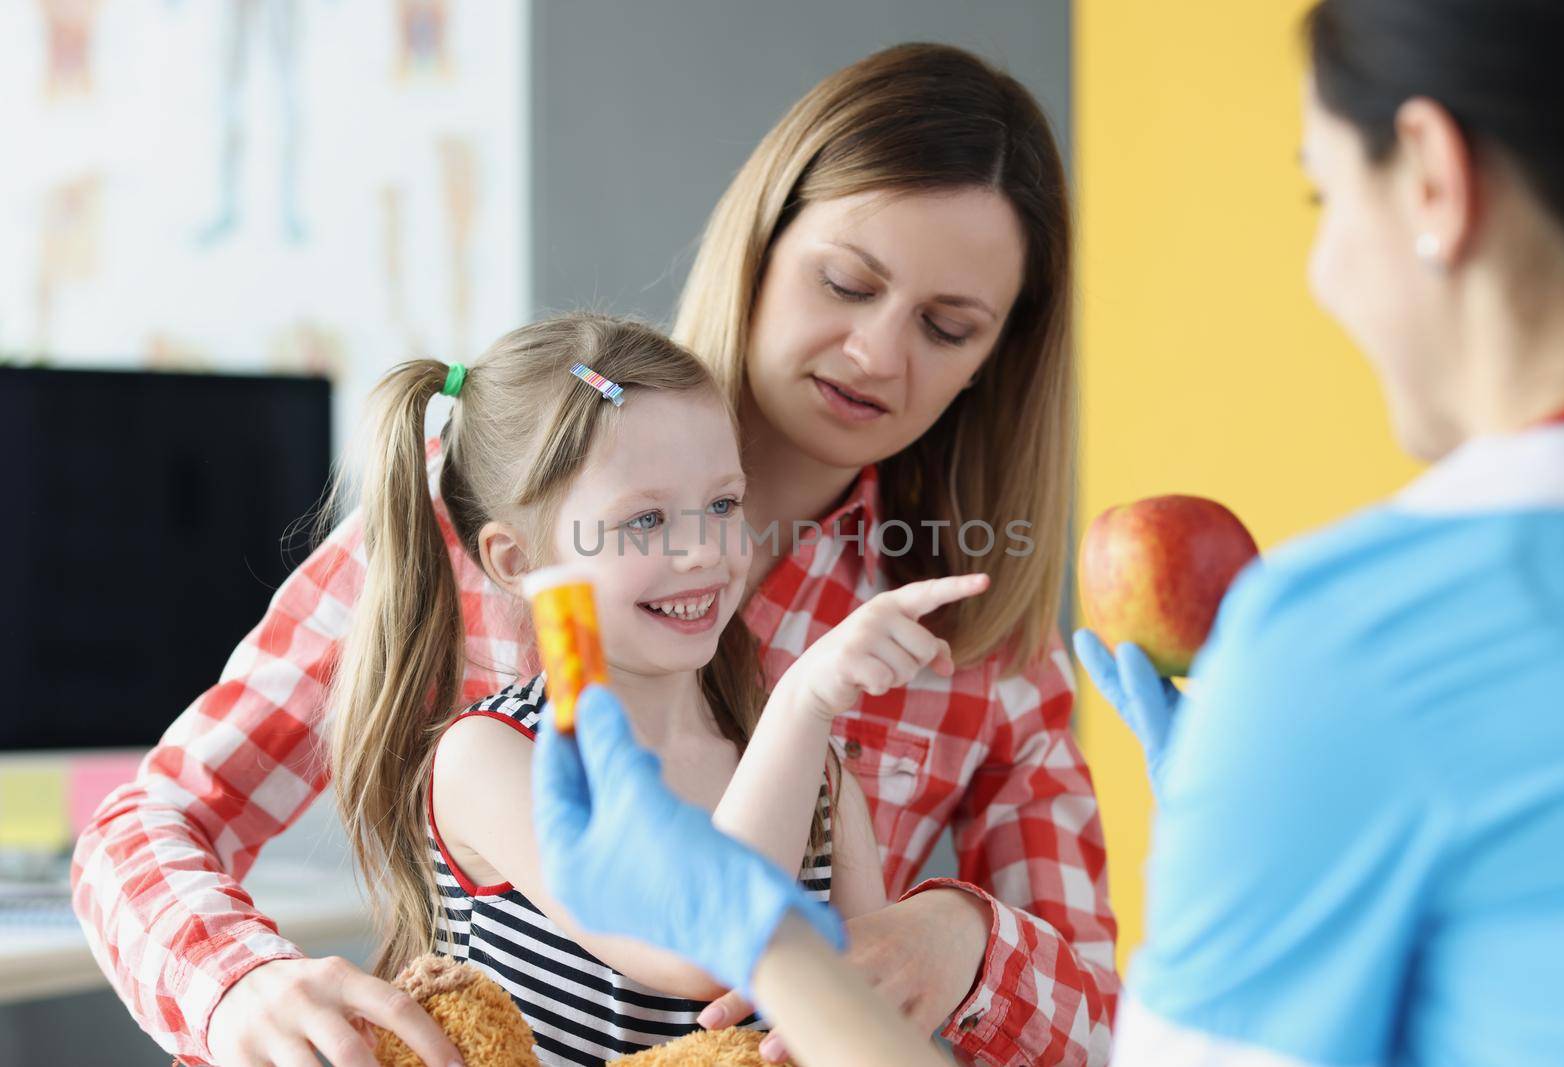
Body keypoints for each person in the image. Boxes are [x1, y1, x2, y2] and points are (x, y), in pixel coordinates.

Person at [72, 42, 1115, 1067]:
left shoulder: (980, 646)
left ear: (995, 360)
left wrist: (967, 942)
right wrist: (238, 980)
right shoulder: (490, 497)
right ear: (759, 244)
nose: (874, 353)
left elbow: (1107, 1019)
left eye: (946, 325)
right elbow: (154, 820)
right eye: (845, 282)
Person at [1074, 2, 1564, 1064]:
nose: (1321, 268)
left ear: (1430, 178)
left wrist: (775, 943)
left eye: (1323, 193)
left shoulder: (1348, 637)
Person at [324, 312, 991, 1066]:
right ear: (515, 560)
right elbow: (697, 948)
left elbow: (868, 1027)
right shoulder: (493, 756)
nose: (703, 549)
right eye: (644, 519)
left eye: (722, 504)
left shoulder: (821, 782)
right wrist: (802, 700)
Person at [532, 684, 954, 1067]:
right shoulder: (492, 744)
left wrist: (954, 922)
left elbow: (880, 1009)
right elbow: (698, 969)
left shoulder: (822, 775)